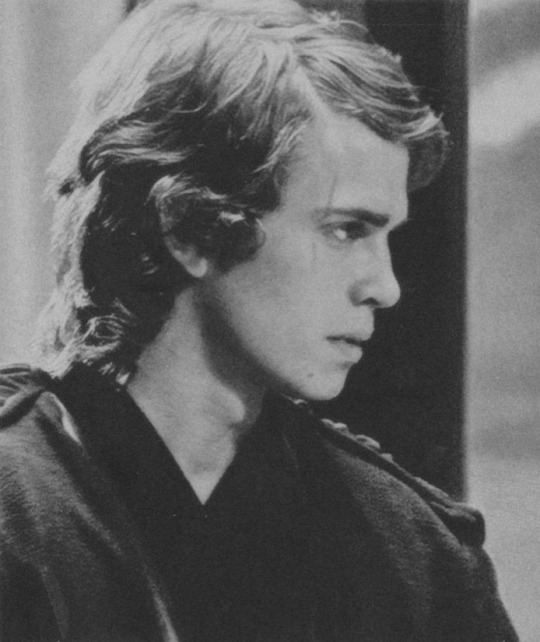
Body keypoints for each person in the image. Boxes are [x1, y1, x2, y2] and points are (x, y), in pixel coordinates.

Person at [0, 1, 518, 640]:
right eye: (345, 229)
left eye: (387, 237)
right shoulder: (15, 519)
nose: (385, 288)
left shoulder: (415, 556)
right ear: (189, 227)